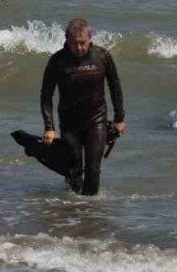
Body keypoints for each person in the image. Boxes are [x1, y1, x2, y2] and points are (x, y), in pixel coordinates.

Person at [40, 18, 125, 195]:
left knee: (93, 168)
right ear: (67, 40)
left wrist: (119, 119)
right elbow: (46, 94)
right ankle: (72, 207)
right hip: (69, 122)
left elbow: (115, 86)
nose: (79, 48)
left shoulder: (102, 56)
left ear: (90, 38)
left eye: (82, 43)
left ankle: (89, 207)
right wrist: (49, 127)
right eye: (74, 43)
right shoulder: (58, 60)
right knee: (74, 168)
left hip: (97, 119)